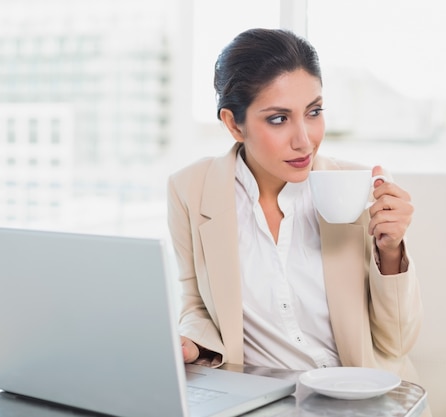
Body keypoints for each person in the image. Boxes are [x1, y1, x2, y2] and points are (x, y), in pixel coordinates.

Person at [166, 28, 423, 383]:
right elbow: (196, 305)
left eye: (314, 112)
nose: (305, 141)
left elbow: (396, 342)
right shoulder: (190, 190)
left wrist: (391, 251)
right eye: (278, 119)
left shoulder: (358, 188)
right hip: (265, 399)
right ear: (233, 124)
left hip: (362, 395)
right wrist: (193, 345)